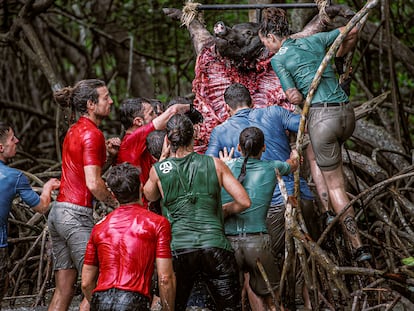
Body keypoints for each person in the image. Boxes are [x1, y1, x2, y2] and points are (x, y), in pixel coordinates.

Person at [258, 7, 371, 262]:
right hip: (346, 114)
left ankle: (358, 246)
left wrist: (299, 91)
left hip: (321, 119)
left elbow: (293, 96)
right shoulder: (313, 40)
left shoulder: (278, 59)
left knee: (336, 186)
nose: (265, 47)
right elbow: (352, 30)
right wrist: (334, 58)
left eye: (264, 41)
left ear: (270, 36)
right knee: (318, 155)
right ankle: (328, 210)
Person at [143, 114, 251, 311]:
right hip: (216, 247)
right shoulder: (215, 164)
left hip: (180, 250)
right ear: (195, 136)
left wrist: (163, 159)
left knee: (178, 306)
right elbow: (244, 201)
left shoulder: (158, 170)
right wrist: (222, 211)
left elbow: (149, 196)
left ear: (168, 140)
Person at [206, 83, 319, 262]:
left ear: (227, 108)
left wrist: (226, 165)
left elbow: (207, 169)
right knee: (308, 257)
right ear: (252, 103)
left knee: (277, 261)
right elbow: (308, 125)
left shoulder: (220, 132)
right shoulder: (275, 112)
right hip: (301, 197)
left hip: (269, 210)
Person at [48, 79, 120, 311]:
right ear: (91, 104)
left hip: (58, 213)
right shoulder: (93, 134)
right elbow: (93, 183)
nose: (111, 101)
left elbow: (87, 174)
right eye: (106, 97)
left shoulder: (75, 129)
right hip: (75, 215)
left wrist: (108, 157)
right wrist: (117, 203)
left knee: (64, 289)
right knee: (97, 284)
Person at [221, 126, 298, 310]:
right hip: (258, 243)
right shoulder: (272, 167)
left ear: (239, 148)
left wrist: (226, 163)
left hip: (227, 244)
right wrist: (295, 151)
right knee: (273, 299)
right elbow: (293, 164)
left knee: (230, 302)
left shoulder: (224, 168)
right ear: (264, 148)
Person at [81, 163, 175, 311]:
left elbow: (86, 283)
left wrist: (96, 304)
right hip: (133, 300)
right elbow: (165, 278)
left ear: (113, 194)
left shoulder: (99, 227)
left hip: (100, 300)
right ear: (141, 187)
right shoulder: (158, 223)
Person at [0, 122, 60, 306]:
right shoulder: (14, 177)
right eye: (12, 139)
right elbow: (42, 207)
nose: (17, 141)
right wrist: (48, 187)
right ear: (1, 147)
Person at [116, 97, 190, 202]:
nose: (155, 116)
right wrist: (194, 107)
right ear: (138, 121)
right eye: (151, 114)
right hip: (143, 204)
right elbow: (172, 111)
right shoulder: (131, 141)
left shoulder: (140, 142)